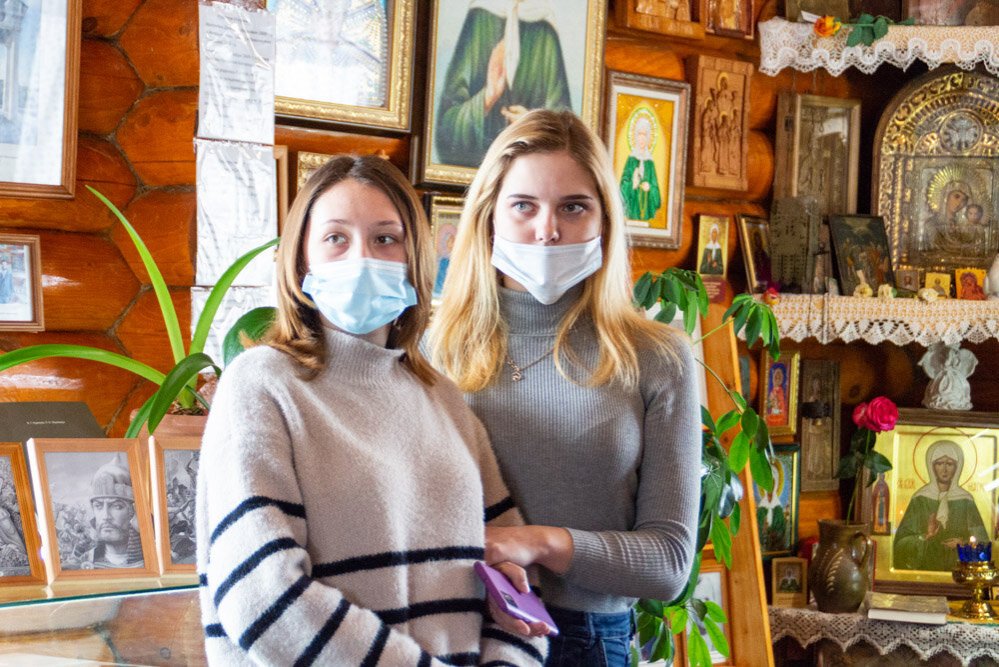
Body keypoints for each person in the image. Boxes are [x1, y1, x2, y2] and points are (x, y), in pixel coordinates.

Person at [196, 156, 548, 665]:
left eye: (385, 239)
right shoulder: (262, 385)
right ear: (301, 262)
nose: (362, 256)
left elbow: (513, 564)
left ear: (414, 259)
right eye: (336, 238)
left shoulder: (442, 398)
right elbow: (261, 595)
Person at [430, 109, 700, 666]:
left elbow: (670, 562)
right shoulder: (436, 349)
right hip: (452, 627)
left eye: (573, 207)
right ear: (488, 216)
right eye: (524, 206)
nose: (547, 229)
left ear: (605, 221)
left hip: (585, 642)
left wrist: (537, 543)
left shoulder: (657, 356)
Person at [435, 0, 572, 167]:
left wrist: (532, 126)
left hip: (532, 173)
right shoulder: (480, 18)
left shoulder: (545, 30)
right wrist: (487, 97)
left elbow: (566, 135)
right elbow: (447, 130)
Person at [894, 439, 989, 572]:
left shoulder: (966, 500)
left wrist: (963, 544)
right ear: (932, 466)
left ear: (957, 467)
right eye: (939, 463)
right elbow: (900, 544)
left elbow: (983, 542)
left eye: (949, 464)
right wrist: (925, 536)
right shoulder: (920, 499)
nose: (944, 469)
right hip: (925, 571)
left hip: (960, 571)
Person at [80, 453, 145, 570]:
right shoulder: (81, 564)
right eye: (99, 506)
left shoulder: (154, 561)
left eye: (117, 506)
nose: (106, 516)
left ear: (133, 512)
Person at [618, 110, 662, 223]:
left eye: (644, 135)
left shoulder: (649, 163)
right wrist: (633, 184)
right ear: (635, 136)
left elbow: (657, 195)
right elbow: (622, 187)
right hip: (632, 210)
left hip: (646, 211)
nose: (642, 139)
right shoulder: (631, 160)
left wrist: (650, 188)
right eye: (639, 135)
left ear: (648, 138)